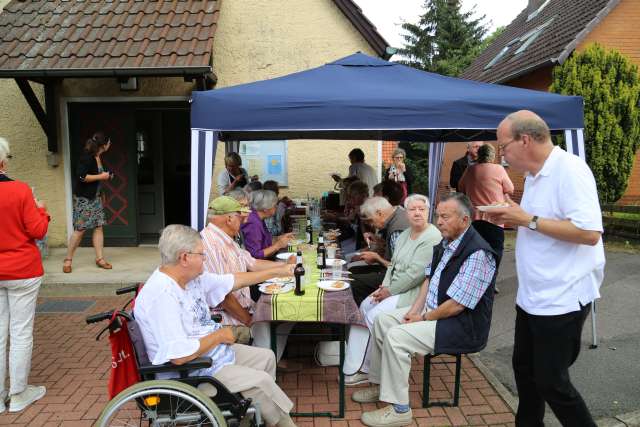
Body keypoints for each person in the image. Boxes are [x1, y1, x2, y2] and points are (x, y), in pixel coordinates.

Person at [489, 110, 604, 427]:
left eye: (503, 146)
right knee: (526, 376)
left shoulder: (570, 171)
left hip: (562, 297)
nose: (501, 154)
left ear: (524, 140)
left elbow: (589, 233)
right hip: (533, 297)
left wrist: (527, 220)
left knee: (552, 383)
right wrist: (515, 218)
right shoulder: (533, 176)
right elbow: (543, 225)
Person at [353, 193, 497, 427]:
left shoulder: (478, 253)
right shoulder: (445, 242)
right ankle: (380, 385)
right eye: (438, 216)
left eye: (445, 217)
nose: (438, 221)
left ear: (465, 219)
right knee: (382, 321)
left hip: (461, 325)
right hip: (433, 311)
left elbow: (457, 305)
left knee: (396, 337)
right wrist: (416, 310)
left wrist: (422, 317)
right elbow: (428, 279)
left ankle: (400, 410)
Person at [134, 225, 297, 427]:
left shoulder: (189, 278)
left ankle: (252, 414)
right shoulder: (162, 296)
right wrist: (218, 337)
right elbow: (178, 356)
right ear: (184, 258)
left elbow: (234, 280)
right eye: (202, 254)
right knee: (260, 382)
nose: (205, 259)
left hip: (213, 356)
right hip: (193, 373)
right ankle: (281, 421)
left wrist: (279, 271)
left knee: (266, 357)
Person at [342, 194, 441, 386]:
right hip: (395, 287)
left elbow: (415, 275)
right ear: (407, 212)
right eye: (412, 209)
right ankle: (352, 364)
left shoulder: (432, 236)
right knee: (364, 306)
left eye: (422, 209)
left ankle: (365, 368)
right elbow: (393, 265)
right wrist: (384, 287)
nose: (417, 213)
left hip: (413, 294)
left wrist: (390, 290)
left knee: (374, 316)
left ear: (428, 212)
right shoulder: (405, 234)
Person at [201, 196, 296, 364]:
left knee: (287, 315)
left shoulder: (226, 239)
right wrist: (247, 319)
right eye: (240, 214)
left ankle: (272, 360)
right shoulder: (211, 245)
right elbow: (223, 296)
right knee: (279, 317)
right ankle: (266, 365)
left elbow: (252, 263)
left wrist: (284, 268)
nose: (245, 218)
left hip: (243, 308)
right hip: (226, 318)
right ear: (229, 219)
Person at [0, 137, 50, 413]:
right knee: (20, 332)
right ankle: (18, 393)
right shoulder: (19, 191)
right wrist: (42, 209)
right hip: (22, 270)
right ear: (3, 161)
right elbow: (38, 230)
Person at [63, 131, 114, 273]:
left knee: (98, 227)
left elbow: (97, 177)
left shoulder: (98, 156)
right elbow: (81, 176)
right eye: (109, 143)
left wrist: (105, 177)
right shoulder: (87, 156)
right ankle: (68, 260)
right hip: (84, 200)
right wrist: (101, 176)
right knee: (80, 230)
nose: (110, 145)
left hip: (95, 198)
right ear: (103, 145)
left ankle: (100, 259)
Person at [349, 196, 410, 306]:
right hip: (391, 271)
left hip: (396, 278)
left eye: (371, 220)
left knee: (351, 282)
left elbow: (401, 268)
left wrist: (377, 258)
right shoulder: (399, 213)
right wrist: (378, 240)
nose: (371, 225)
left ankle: (363, 310)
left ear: (379, 213)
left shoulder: (397, 229)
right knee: (351, 271)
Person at [458, 143, 514, 225]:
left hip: (474, 216)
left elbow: (460, 188)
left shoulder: (470, 169)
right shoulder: (499, 169)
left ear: (479, 155)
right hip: (495, 216)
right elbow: (510, 189)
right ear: (492, 156)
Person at [241, 190, 294, 260]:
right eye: (275, 205)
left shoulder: (258, 217)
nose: (277, 207)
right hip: (260, 266)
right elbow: (255, 255)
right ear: (265, 209)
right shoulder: (253, 223)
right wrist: (278, 245)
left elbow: (266, 241)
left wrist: (279, 238)